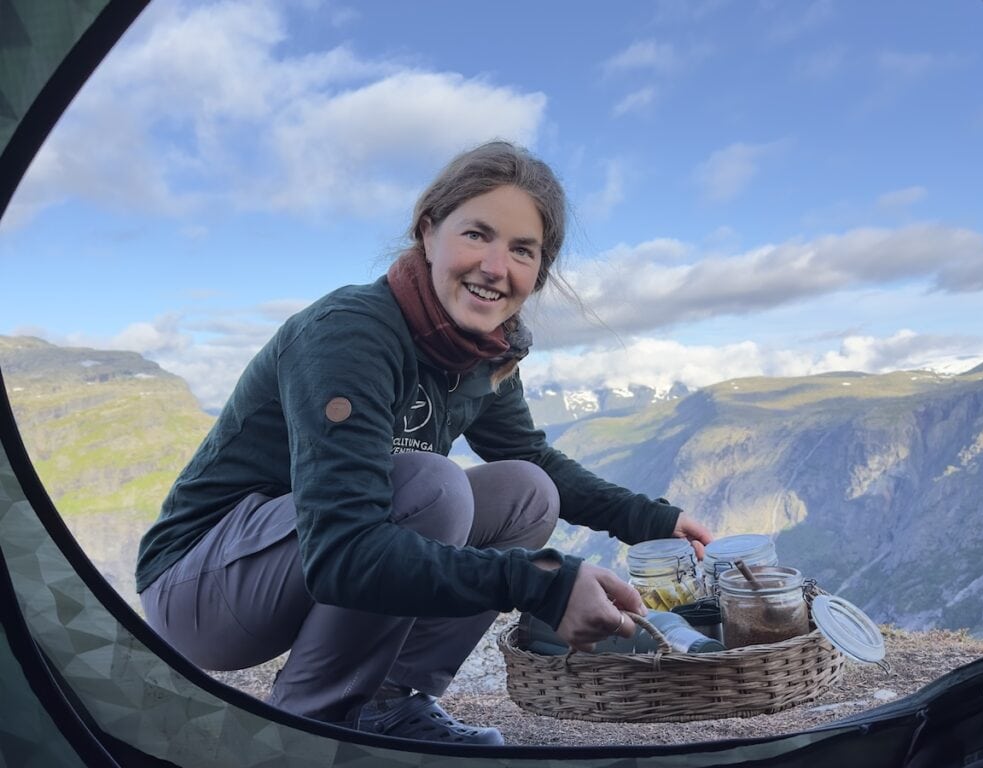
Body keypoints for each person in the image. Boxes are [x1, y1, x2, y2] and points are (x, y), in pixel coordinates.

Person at [135, 140, 713, 746]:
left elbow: (535, 459)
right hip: (200, 588)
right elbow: (345, 551)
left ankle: (389, 701)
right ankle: (310, 729)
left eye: (522, 250)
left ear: (538, 272)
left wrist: (652, 520)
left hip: (296, 562)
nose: (496, 266)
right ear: (428, 231)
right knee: (429, 487)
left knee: (527, 492)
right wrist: (542, 582)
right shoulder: (350, 334)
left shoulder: (482, 353)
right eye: (477, 235)